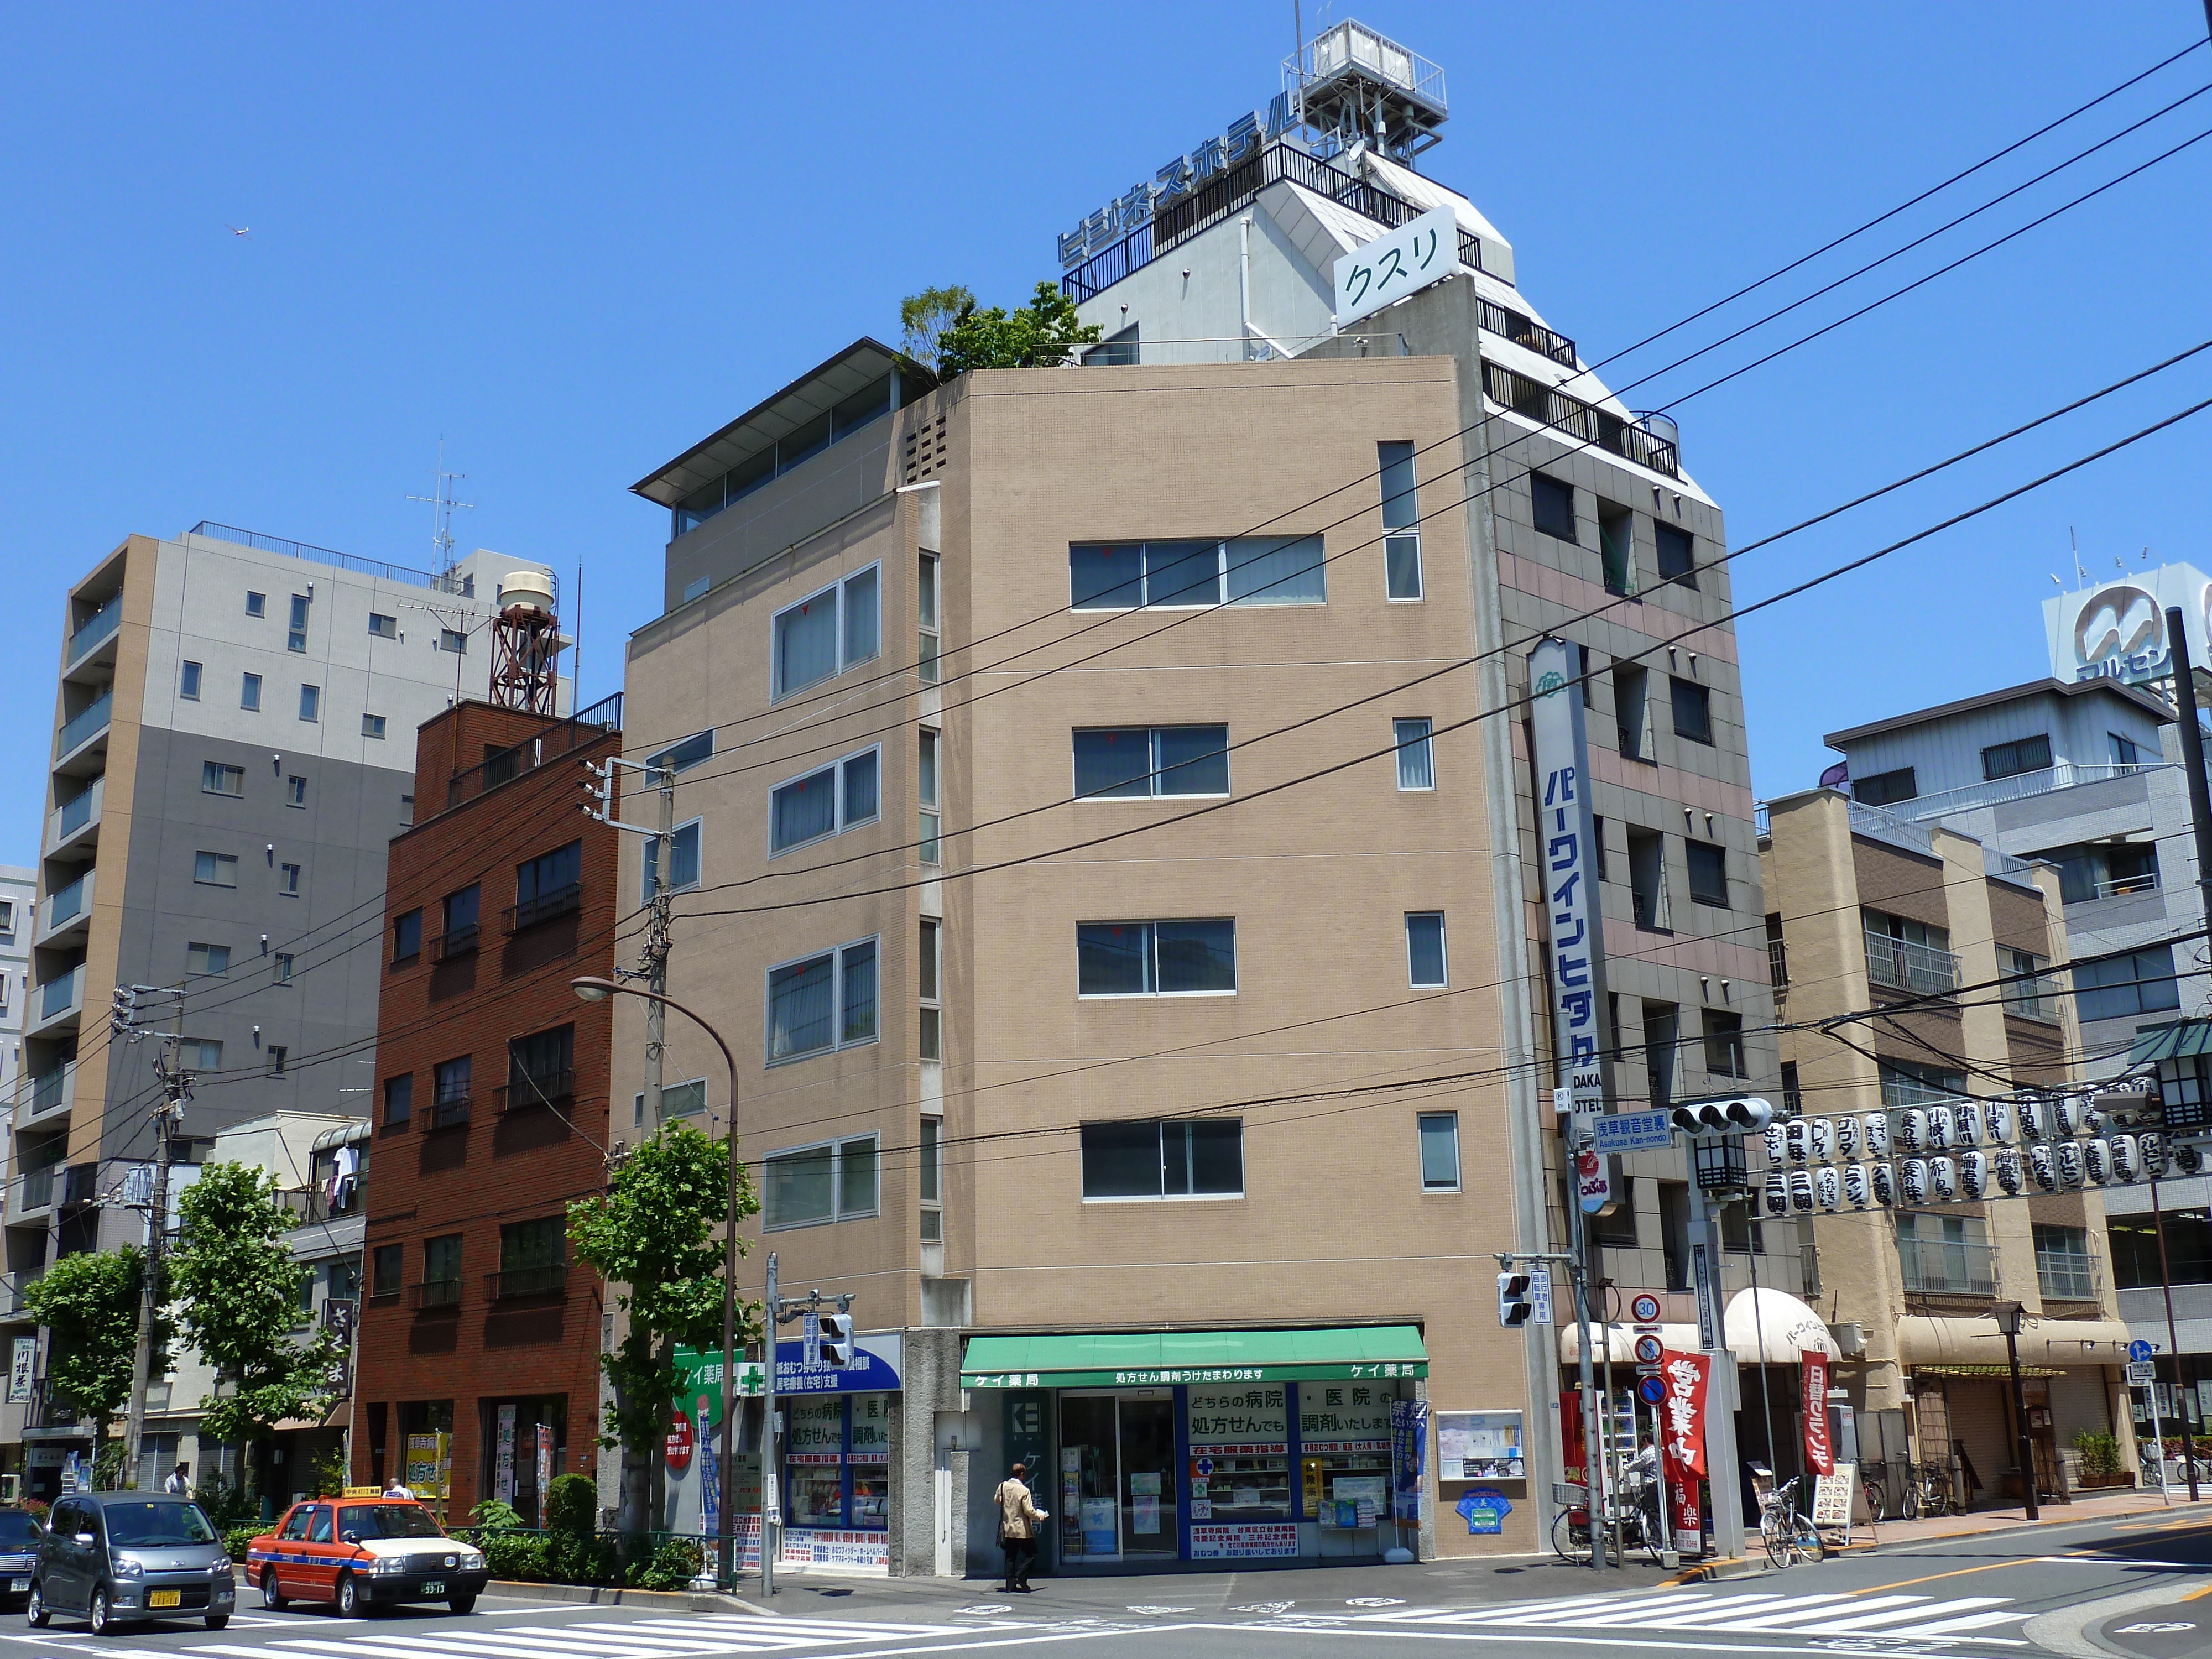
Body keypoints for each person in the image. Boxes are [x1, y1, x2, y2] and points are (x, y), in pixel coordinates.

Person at [993, 1461, 1048, 1593]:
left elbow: (997, 1500)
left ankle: (1010, 1586)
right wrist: (1040, 1517)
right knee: (1032, 1554)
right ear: (1022, 1474)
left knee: (1010, 1557)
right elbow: (1029, 1510)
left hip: (1008, 1528)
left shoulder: (1003, 1487)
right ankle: (1021, 1576)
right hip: (1022, 1530)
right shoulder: (1024, 1490)